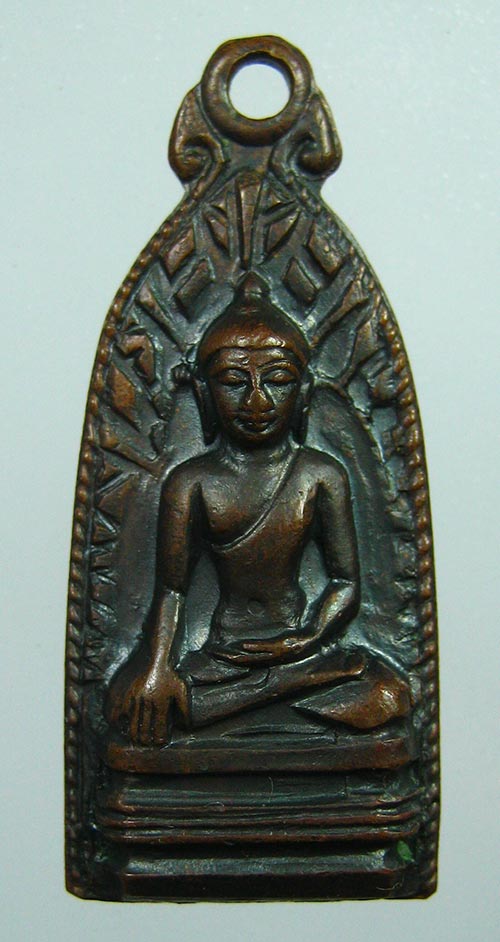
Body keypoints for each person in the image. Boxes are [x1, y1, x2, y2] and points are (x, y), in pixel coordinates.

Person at [108, 273, 364, 745]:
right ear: (204, 394)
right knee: (125, 705)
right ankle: (267, 694)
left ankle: (248, 698)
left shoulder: (320, 475)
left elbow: (346, 583)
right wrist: (159, 667)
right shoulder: (191, 482)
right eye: (232, 381)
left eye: (278, 380)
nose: (256, 401)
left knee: (387, 695)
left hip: (302, 649)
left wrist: (308, 636)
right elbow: (172, 590)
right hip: (224, 657)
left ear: (304, 393)